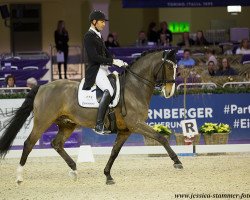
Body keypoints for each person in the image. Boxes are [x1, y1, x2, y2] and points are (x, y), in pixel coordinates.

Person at [83, 10, 128, 134]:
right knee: (109, 90)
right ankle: (99, 125)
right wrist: (112, 62)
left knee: (118, 87)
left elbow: (106, 52)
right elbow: (94, 57)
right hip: (96, 69)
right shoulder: (88, 36)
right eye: (102, 22)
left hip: (104, 68)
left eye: (104, 22)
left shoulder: (98, 35)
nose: (104, 24)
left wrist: (118, 61)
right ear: (94, 22)